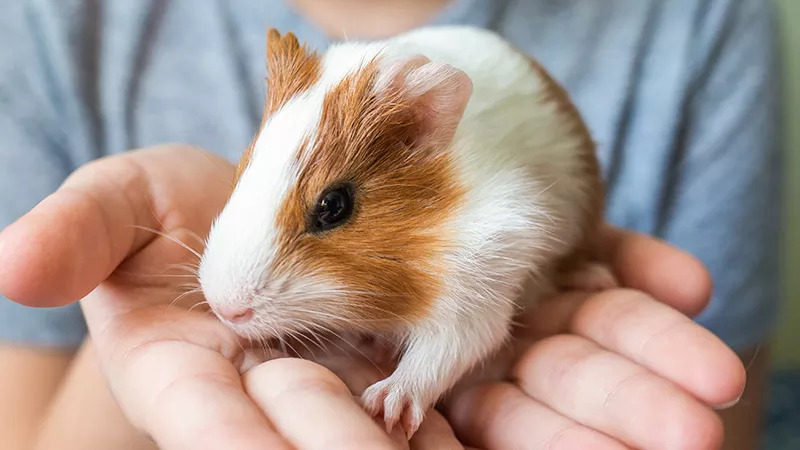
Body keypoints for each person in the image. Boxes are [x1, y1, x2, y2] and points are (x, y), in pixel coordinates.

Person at [0, 0, 780, 449]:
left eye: (330, 211)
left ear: (420, 137)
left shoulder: (701, 19)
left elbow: (480, 288)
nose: (229, 297)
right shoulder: (54, 24)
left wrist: (416, 377)